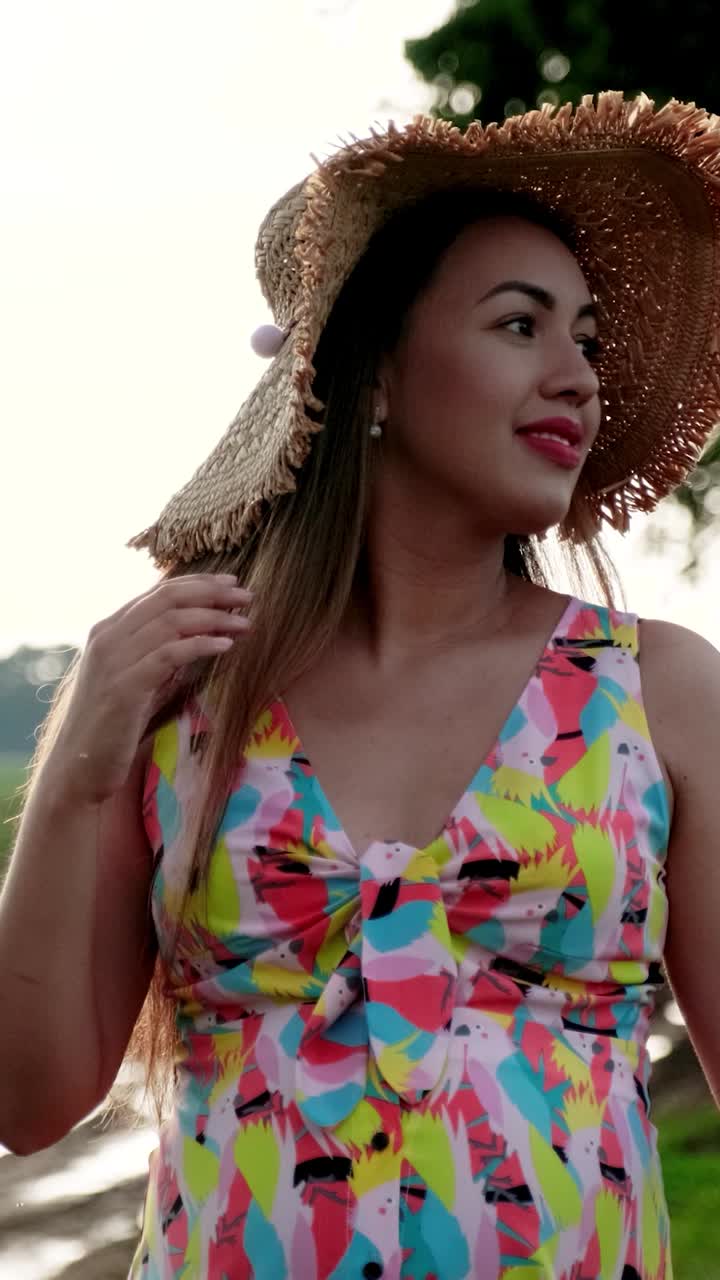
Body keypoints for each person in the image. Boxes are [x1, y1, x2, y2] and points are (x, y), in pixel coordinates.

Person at [2, 90, 720, 1280]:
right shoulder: (185, 688)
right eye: (519, 325)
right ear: (373, 376)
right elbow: (27, 1100)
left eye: (586, 339)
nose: (578, 376)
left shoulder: (661, 690)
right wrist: (81, 756)